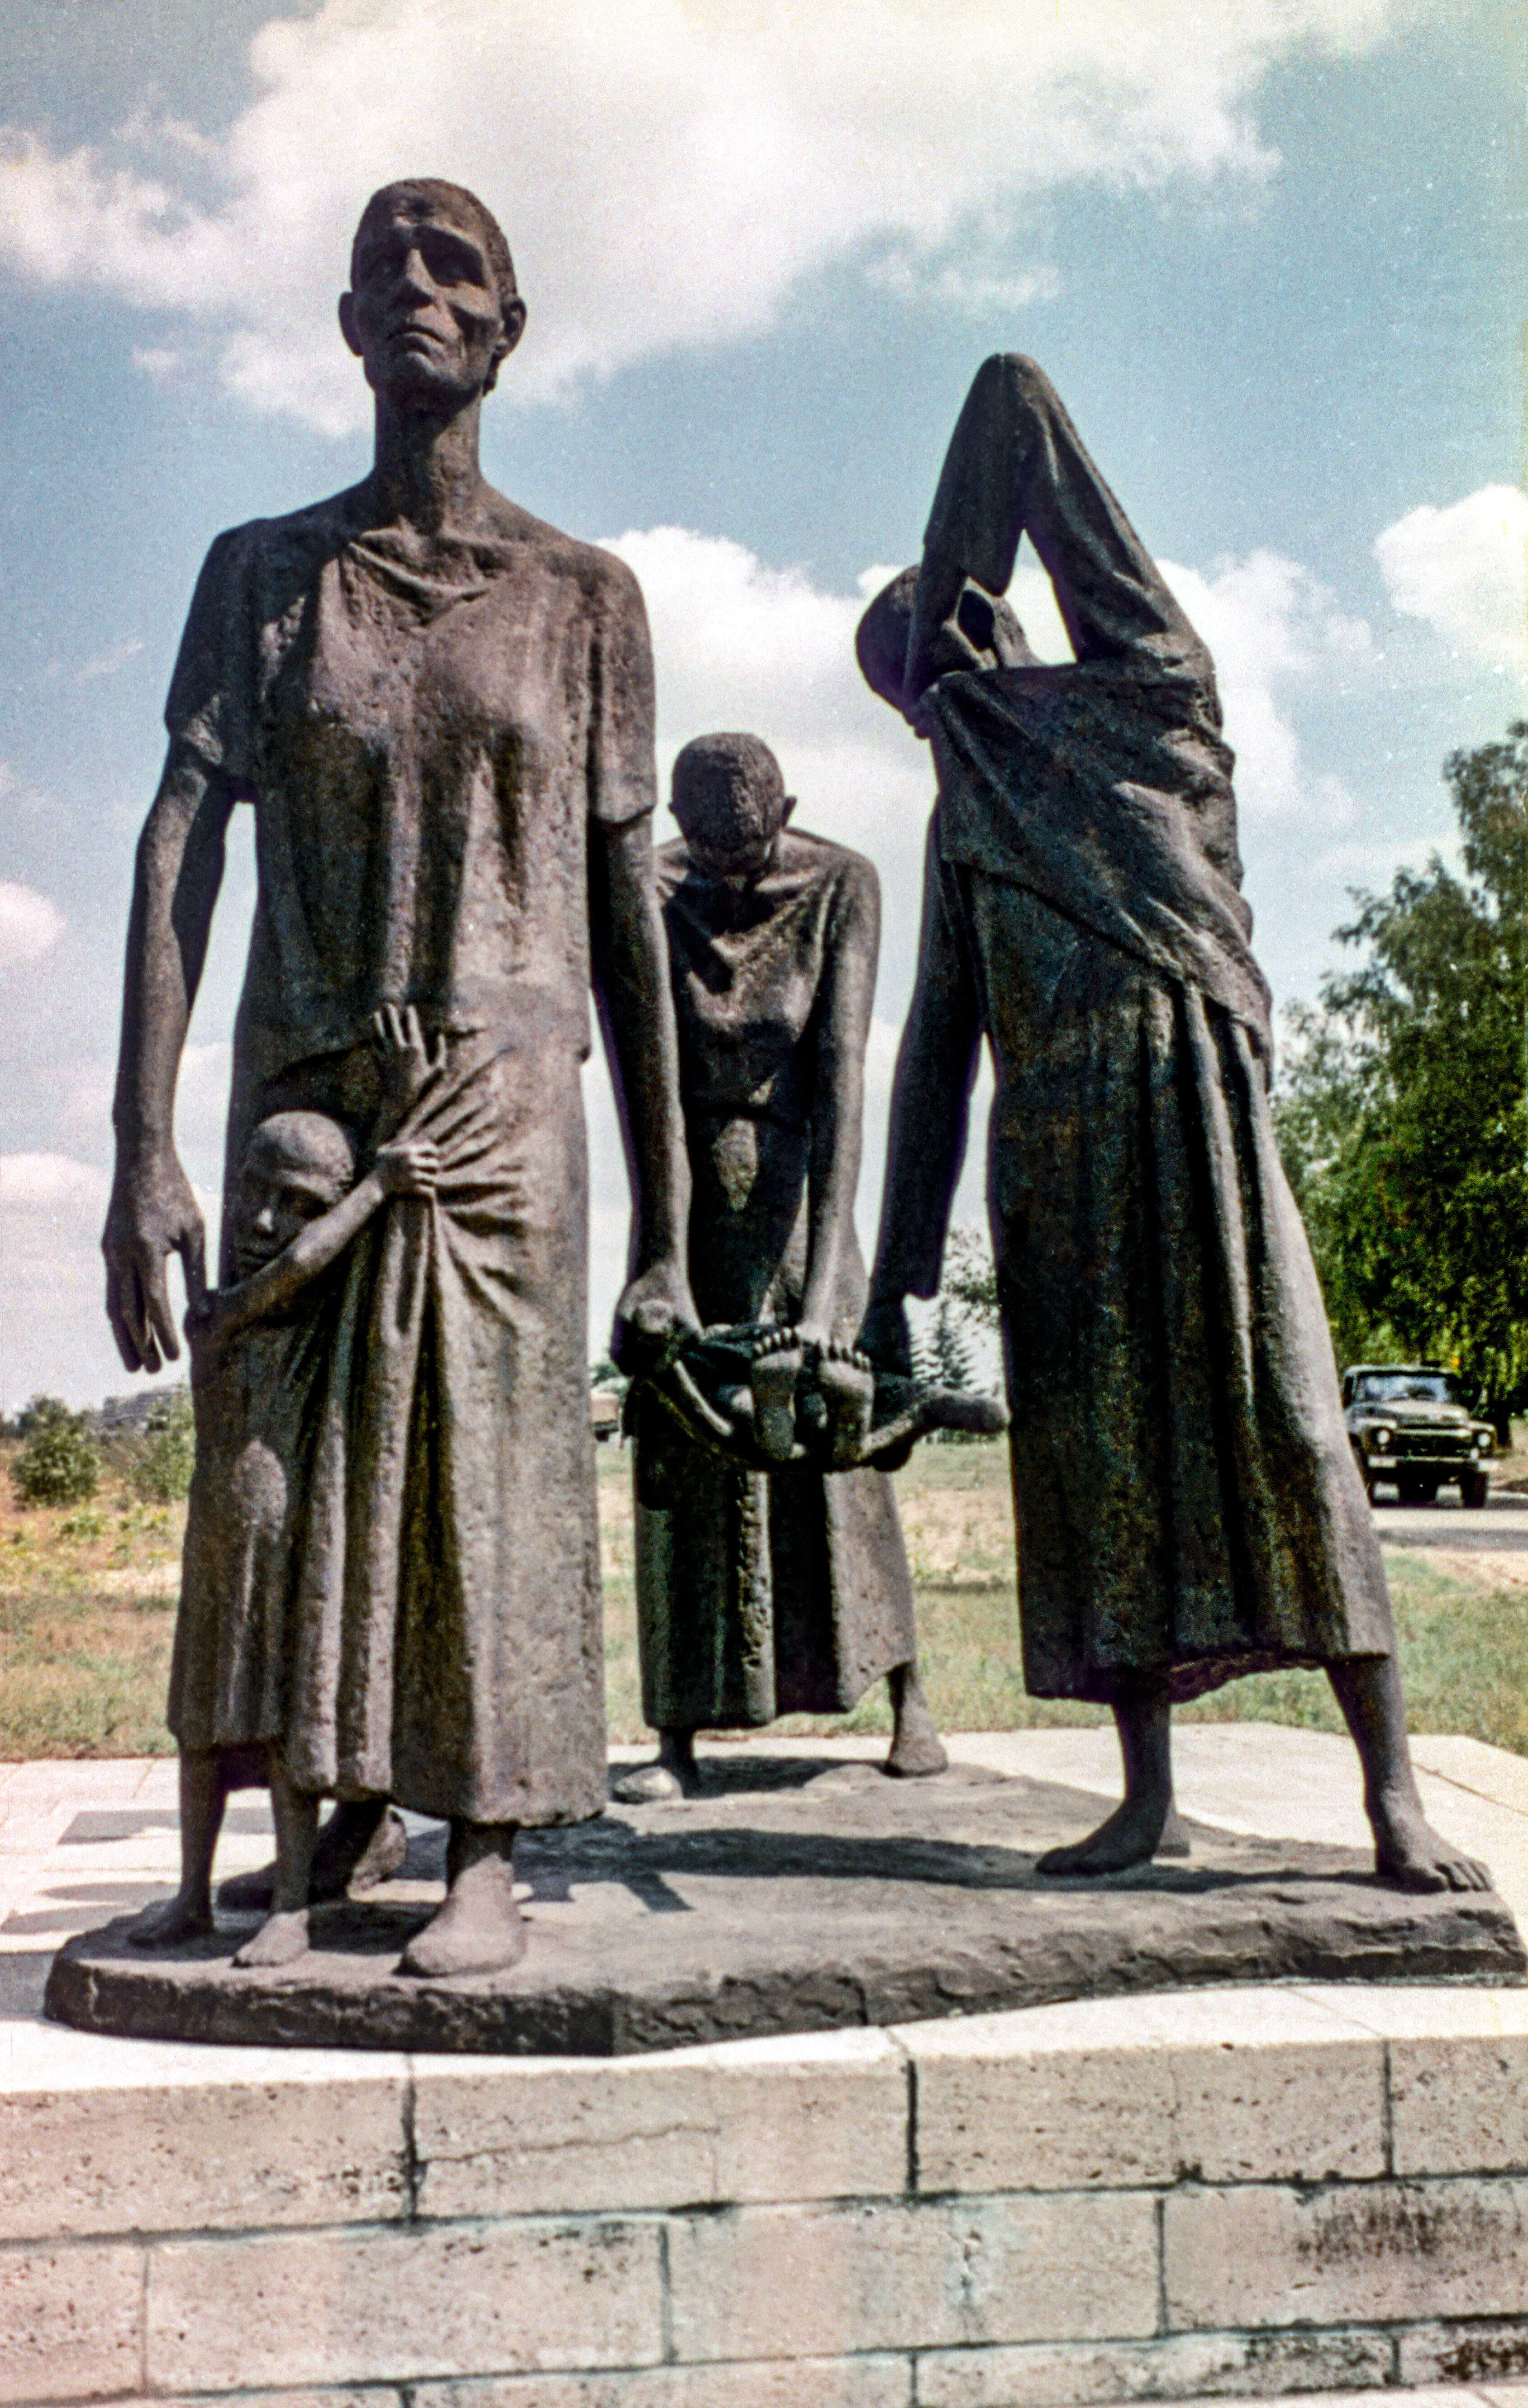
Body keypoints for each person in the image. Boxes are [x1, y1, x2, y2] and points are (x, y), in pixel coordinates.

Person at [102, 180, 697, 1976]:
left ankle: (484, 1843)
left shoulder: (584, 596)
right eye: (386, 270)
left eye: (455, 269)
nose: (418, 290)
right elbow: (177, 849)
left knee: (487, 1468)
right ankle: (322, 1820)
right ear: (349, 329)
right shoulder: (261, 576)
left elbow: (628, 921)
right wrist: (140, 1147)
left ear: (508, 329)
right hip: (304, 1094)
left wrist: (669, 1229)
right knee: (285, 1486)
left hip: (503, 1104)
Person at [857, 353, 1490, 1890]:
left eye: (932, 667)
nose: (930, 707)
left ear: (992, 625)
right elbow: (935, 1047)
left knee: (1291, 1427)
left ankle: (1392, 1795)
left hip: (1194, 1127)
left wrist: (946, 582)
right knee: (1098, 1483)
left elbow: (1011, 402)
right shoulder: (963, 822)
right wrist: (892, 1281)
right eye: (905, 696)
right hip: (1055, 1169)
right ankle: (1144, 1795)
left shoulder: (1152, 703)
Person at [616, 734, 945, 1802]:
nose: (727, 882)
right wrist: (659, 1255)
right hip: (687, 1203)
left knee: (835, 1438)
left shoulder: (842, 883)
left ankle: (907, 1698)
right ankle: (675, 1732)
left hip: (804, 1198)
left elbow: (845, 1080)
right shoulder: (643, 889)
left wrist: (830, 1285)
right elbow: (642, 1081)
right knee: (684, 1441)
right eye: (708, 858)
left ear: (786, 813)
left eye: (748, 856)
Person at [133, 1033, 447, 1961]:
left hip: (288, 1548)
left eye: (295, 1203)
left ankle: (293, 1905)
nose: (266, 1220)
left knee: (284, 1728)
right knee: (199, 1729)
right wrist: (377, 1184)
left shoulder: (328, 1321)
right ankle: (191, 1896)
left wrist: (397, 1124)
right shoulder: (219, 1310)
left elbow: (338, 1259)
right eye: (254, 1195)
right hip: (219, 1547)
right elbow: (303, 1260)